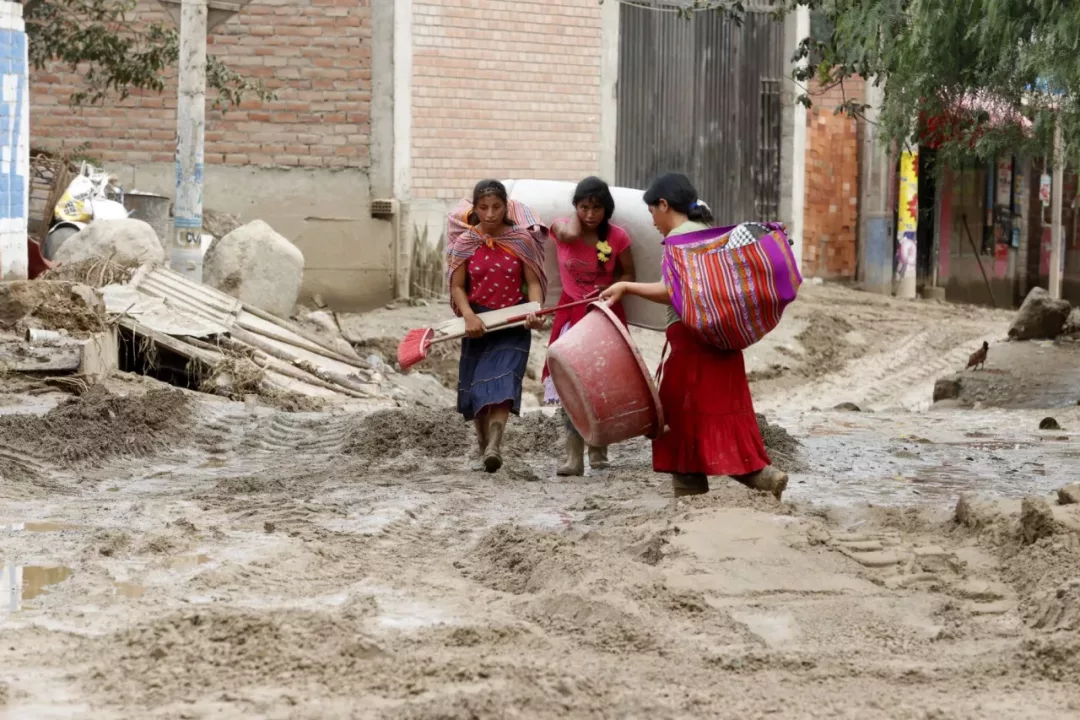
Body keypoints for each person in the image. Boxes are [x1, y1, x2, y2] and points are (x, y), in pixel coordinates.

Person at [600, 173, 788, 500]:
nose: (654, 222)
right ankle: (763, 476)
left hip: (691, 347)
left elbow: (671, 292)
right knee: (724, 416)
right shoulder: (709, 235)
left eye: (652, 213)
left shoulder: (679, 240)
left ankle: (691, 497)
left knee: (676, 419)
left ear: (663, 205)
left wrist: (626, 286)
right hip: (724, 347)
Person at [446, 179, 547, 473]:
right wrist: (468, 316)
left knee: (502, 383)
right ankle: (482, 446)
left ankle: (495, 444)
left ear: (506, 207)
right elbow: (457, 287)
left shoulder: (521, 240)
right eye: (484, 207)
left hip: (513, 322)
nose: (490, 214)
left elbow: (532, 282)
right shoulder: (464, 243)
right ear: (475, 209)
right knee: (477, 388)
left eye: (496, 207)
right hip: (477, 324)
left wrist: (534, 310)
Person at [542, 177, 636, 476]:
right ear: (575, 207)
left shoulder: (618, 237)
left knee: (602, 384)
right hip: (571, 315)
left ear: (607, 209)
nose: (591, 214)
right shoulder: (561, 228)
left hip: (605, 315)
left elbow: (629, 274)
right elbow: (569, 234)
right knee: (570, 385)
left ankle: (598, 448)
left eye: (597, 208)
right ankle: (574, 456)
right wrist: (574, 219)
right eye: (584, 207)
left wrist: (609, 286)